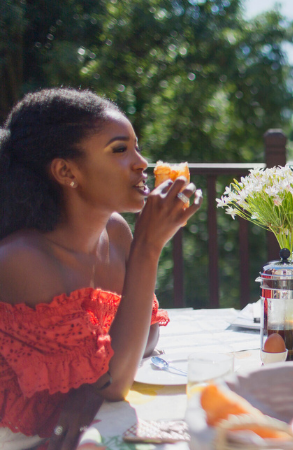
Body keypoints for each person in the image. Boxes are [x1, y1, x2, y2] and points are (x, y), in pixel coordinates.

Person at [0, 88, 202, 450]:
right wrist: (149, 247)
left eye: (137, 147)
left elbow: (147, 335)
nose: (142, 163)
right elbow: (115, 381)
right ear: (66, 171)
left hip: (91, 423)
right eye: (120, 149)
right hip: (27, 440)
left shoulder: (115, 231)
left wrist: (89, 389)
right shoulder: (22, 260)